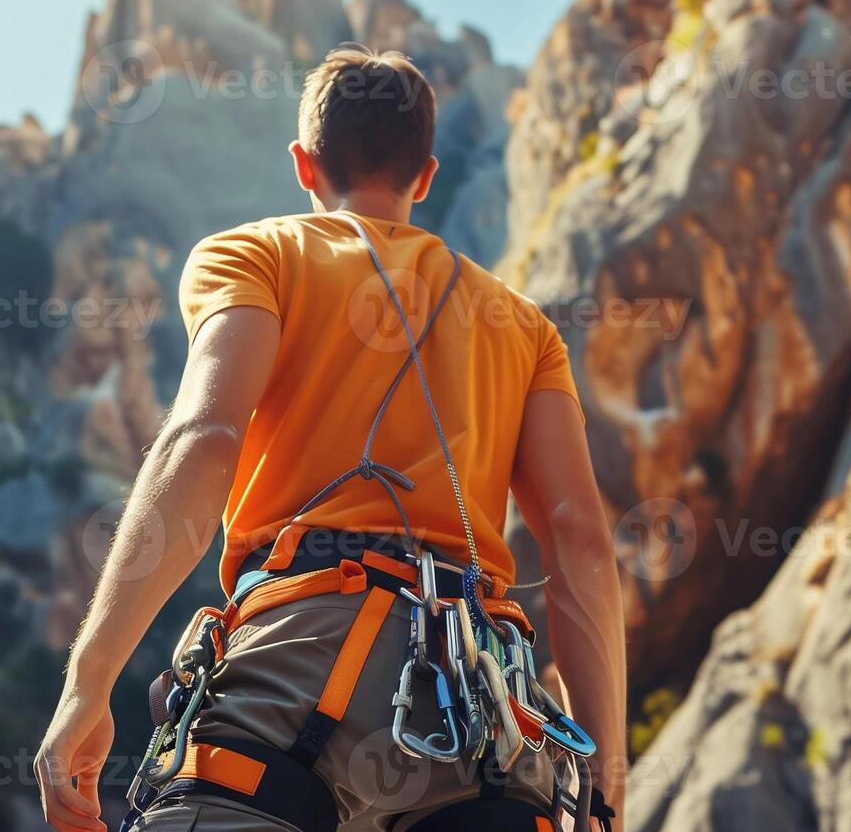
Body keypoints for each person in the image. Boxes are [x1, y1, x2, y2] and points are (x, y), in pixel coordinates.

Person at [37, 46, 628, 831]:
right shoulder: (524, 328)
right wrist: (606, 786)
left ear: (304, 165)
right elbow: (579, 537)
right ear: (425, 175)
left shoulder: (255, 257)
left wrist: (91, 676)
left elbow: (204, 438)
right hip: (474, 698)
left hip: (293, 657)